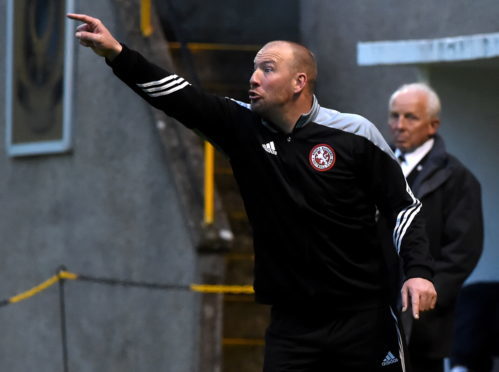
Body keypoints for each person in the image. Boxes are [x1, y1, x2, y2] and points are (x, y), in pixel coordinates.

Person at [67, 13, 437, 371]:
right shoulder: (241, 126)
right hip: (292, 325)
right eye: (254, 68)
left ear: (299, 82)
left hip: (363, 317)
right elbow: (177, 95)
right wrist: (118, 54)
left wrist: (418, 272)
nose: (254, 78)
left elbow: (403, 208)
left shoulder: (356, 134)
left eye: (268, 69)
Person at [383, 83, 484, 372]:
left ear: (433, 125)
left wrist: (427, 293)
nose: (399, 125)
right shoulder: (377, 166)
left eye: (410, 117)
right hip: (372, 311)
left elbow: (463, 250)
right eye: (394, 116)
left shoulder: (458, 178)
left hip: (425, 319)